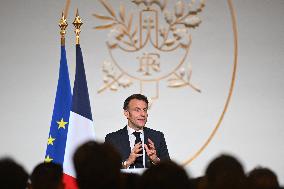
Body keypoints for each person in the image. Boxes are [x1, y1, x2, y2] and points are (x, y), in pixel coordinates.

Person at [105, 94, 170, 169]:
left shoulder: (157, 136)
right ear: (126, 113)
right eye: (137, 110)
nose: (143, 114)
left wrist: (155, 160)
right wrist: (127, 162)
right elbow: (107, 170)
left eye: (144, 110)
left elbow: (169, 170)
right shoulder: (112, 139)